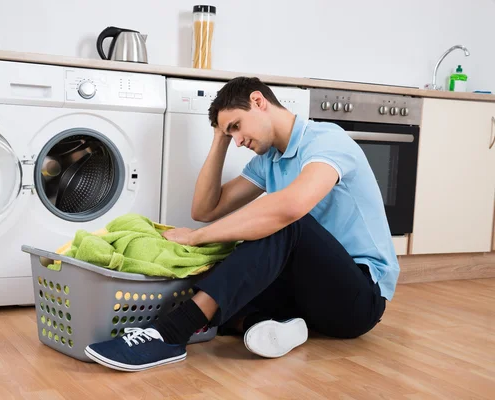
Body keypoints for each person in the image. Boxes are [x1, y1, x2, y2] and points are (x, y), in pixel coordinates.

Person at [84, 76, 396, 372]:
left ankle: (169, 334)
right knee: (229, 258)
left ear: (258, 101)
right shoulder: (269, 160)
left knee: (283, 223)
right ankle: (261, 326)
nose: (237, 140)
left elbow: (289, 208)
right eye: (229, 134)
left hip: (359, 298)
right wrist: (218, 137)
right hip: (306, 298)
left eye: (236, 126)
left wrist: (196, 238)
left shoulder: (327, 141)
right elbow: (205, 209)